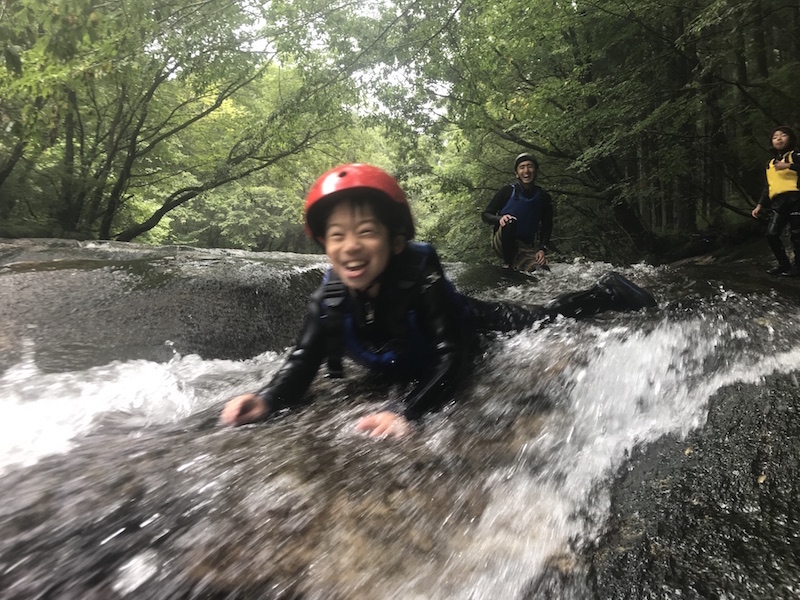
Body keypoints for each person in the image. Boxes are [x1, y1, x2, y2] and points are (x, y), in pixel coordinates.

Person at [221, 164, 656, 439]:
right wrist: (266, 399)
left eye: (365, 232)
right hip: (411, 350)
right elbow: (302, 361)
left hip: (468, 321)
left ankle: (607, 291)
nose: (350, 247)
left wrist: (407, 412)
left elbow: (454, 357)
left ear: (394, 243)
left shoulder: (421, 278)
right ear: (326, 246)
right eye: (337, 236)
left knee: (545, 318)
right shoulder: (329, 298)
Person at [482, 153, 553, 272]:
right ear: (517, 174)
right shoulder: (507, 191)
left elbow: (547, 226)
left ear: (536, 171)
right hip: (502, 241)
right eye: (522, 167)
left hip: (523, 246)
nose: (526, 170)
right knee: (510, 221)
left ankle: (519, 266)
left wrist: (542, 250)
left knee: (541, 271)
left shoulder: (543, 197)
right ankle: (507, 264)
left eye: (530, 166)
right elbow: (485, 215)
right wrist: (500, 219)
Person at [751, 126, 800, 276]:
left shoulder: (796, 155)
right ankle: (783, 264)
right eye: (775, 137)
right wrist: (759, 205)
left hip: (796, 199)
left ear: (790, 138)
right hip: (778, 202)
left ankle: (797, 268)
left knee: (797, 234)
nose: (779, 138)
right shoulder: (770, 164)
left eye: (783, 135)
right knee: (772, 234)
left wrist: (789, 166)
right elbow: (768, 186)